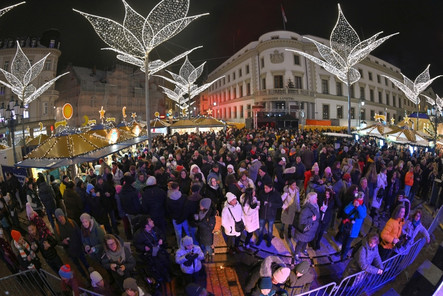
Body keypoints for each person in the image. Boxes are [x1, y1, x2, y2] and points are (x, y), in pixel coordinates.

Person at [133, 216, 171, 283]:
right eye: (150, 221)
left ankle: (168, 273)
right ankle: (161, 277)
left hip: (159, 249)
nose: (152, 221)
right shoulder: (139, 234)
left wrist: (161, 239)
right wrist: (144, 247)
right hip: (149, 253)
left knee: (166, 258)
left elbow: (162, 234)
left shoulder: (155, 229)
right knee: (158, 262)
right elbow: (136, 244)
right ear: (146, 225)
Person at [53, 208, 90, 279]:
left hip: (79, 248)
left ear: (63, 215)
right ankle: (86, 278)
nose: (60, 218)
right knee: (78, 266)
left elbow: (79, 233)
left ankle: (91, 276)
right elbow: (58, 241)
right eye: (58, 217)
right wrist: (62, 242)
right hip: (70, 252)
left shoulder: (71, 222)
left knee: (86, 263)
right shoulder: (56, 228)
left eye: (61, 216)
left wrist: (83, 245)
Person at [337, 192, 367, 260]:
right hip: (347, 226)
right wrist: (352, 205)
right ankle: (341, 252)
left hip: (353, 229)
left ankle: (344, 255)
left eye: (360, 197)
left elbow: (363, 215)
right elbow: (346, 210)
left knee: (347, 243)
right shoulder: (352, 202)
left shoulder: (363, 207)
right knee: (343, 241)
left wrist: (358, 206)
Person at [256, 180, 283, 248]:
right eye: (264, 187)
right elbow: (259, 200)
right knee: (261, 228)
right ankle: (260, 239)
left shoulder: (276, 194)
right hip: (262, 214)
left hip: (271, 215)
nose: (265, 189)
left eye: (266, 188)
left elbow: (280, 204)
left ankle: (269, 241)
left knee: (270, 230)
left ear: (271, 188)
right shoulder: (262, 192)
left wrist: (271, 204)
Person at [294, 192, 319, 262]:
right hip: (305, 230)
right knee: (300, 243)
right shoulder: (306, 209)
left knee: (306, 241)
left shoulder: (315, 206)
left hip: (310, 230)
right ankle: (296, 253)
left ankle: (304, 249)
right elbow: (301, 221)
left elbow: (317, 216)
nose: (317, 199)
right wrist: (311, 219)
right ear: (311, 200)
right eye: (315, 198)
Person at [167, 181, 190, 247]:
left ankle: (180, 247)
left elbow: (168, 211)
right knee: (188, 232)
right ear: (178, 188)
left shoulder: (168, 199)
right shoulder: (183, 197)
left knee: (178, 235)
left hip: (175, 219)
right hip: (184, 218)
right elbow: (186, 209)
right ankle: (191, 245)